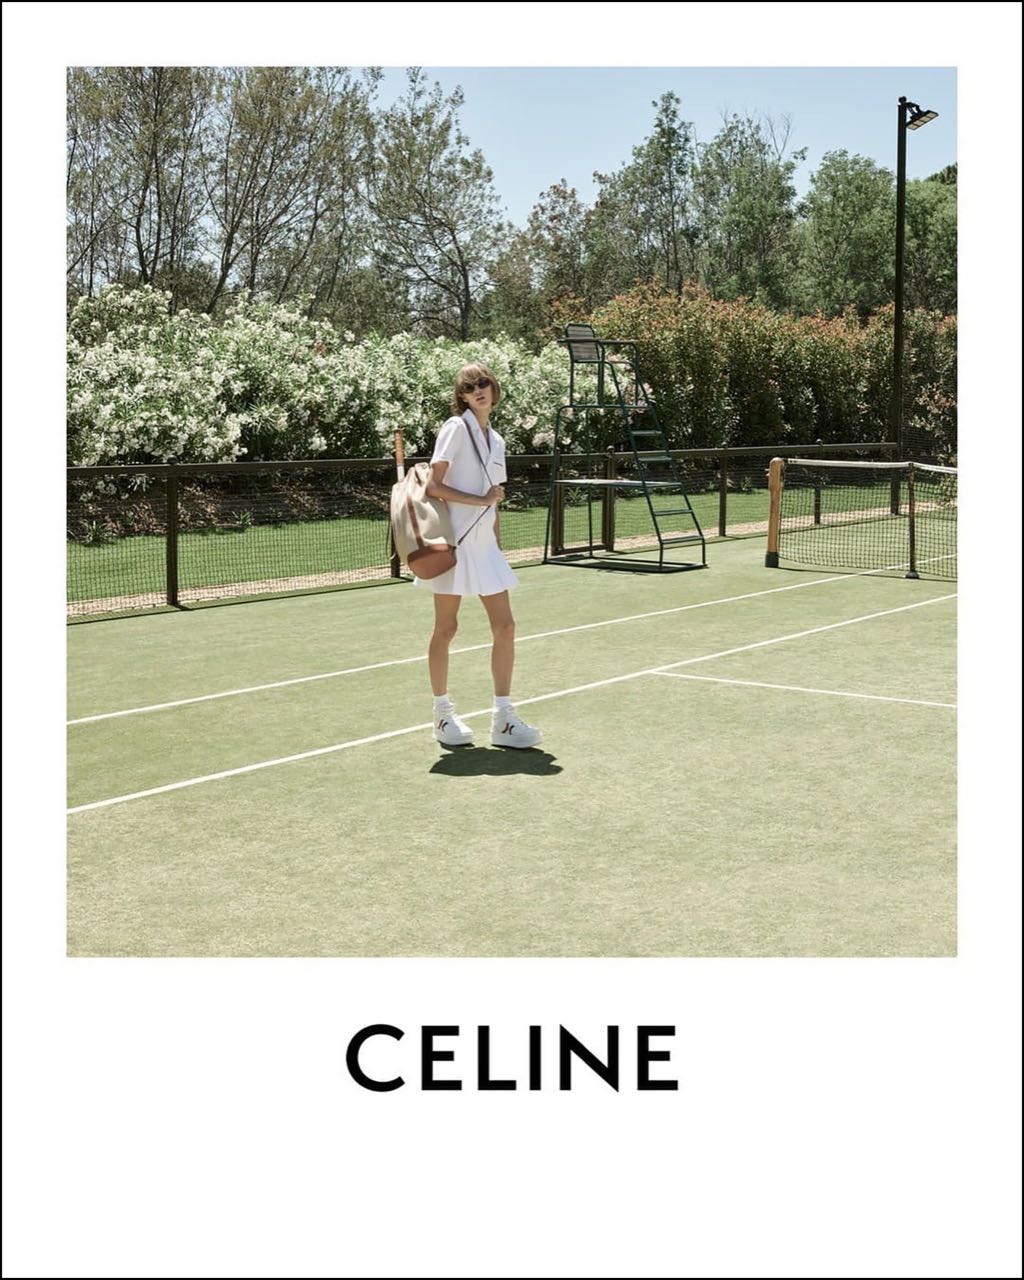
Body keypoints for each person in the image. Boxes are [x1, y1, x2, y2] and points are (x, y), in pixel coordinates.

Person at [417, 362, 542, 749]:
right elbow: (433, 486)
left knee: (506, 627)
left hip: (485, 546)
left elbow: (494, 499)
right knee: (446, 628)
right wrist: (480, 500)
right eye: (470, 387)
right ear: (462, 396)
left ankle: (503, 719)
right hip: (454, 542)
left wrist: (497, 545)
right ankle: (442, 715)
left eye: (483, 383)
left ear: (494, 388)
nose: (478, 390)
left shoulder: (497, 440)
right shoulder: (455, 428)